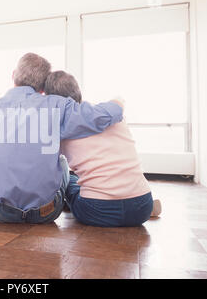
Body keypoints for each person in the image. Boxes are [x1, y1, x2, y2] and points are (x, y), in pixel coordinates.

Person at [0, 53, 124, 223]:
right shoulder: (57, 106)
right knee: (61, 162)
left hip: (0, 213)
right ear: (43, 87)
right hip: (46, 213)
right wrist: (118, 102)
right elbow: (102, 115)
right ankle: (67, 199)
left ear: (13, 75)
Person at [44, 70, 162, 227]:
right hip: (142, 205)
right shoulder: (112, 116)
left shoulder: (60, 131)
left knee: (70, 179)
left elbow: (49, 168)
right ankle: (145, 209)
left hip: (97, 210)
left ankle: (71, 202)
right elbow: (118, 101)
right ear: (78, 91)